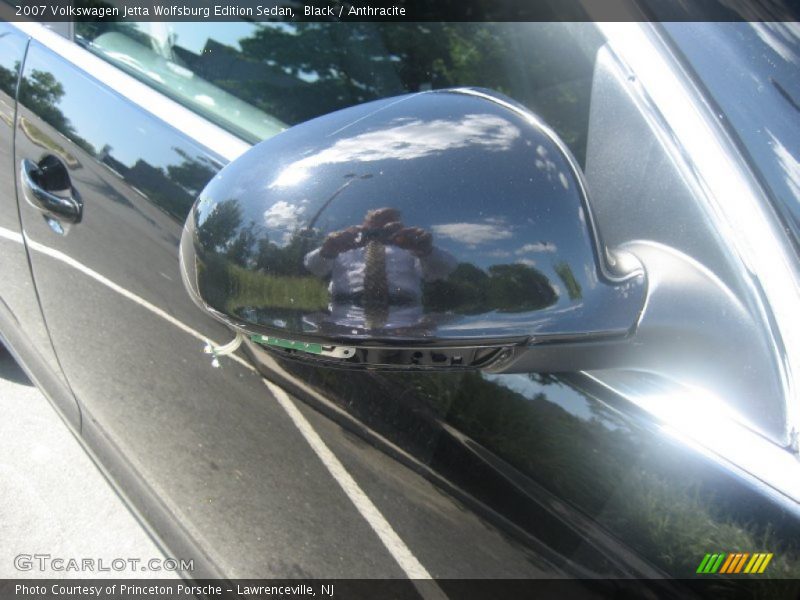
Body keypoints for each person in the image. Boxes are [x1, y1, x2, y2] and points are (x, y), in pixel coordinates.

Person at [304, 207, 456, 331]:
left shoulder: (412, 248)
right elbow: (313, 267)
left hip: (405, 319)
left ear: (400, 226)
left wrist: (426, 250)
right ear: (364, 225)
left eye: (388, 227)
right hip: (343, 314)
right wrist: (327, 250)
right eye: (374, 223)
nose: (380, 231)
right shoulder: (344, 246)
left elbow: (443, 271)